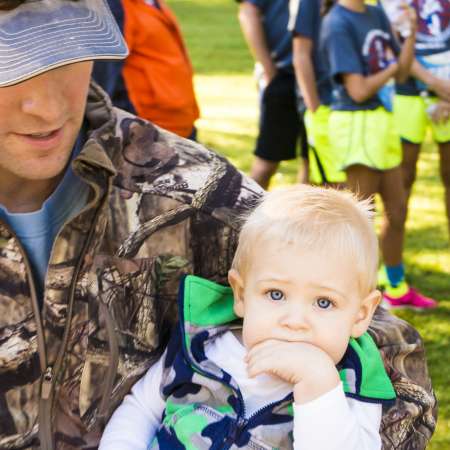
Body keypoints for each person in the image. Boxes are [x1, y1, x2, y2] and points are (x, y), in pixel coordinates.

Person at [0, 1, 436, 449]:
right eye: (9, 68)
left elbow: (389, 358)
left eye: (67, 52)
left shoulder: (191, 192)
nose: (46, 107)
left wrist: (322, 398)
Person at [99, 185, 396, 450]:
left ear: (361, 315)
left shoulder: (352, 387)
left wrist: (318, 383)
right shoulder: (200, 346)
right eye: (276, 294)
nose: (294, 320)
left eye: (324, 302)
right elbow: (141, 409)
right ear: (241, 295)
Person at [322, 0, 437, 309]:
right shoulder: (337, 24)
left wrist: (410, 34)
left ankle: (396, 289)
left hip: (383, 121)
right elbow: (358, 90)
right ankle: (355, 294)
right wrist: (389, 68)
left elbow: (400, 73)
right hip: (356, 123)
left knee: (397, 210)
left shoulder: (374, 13)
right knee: (361, 217)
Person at [381, 0, 450, 239]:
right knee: (402, 178)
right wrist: (434, 83)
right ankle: (392, 269)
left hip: (447, 96)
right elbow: (394, 42)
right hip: (408, 94)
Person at [93, 0, 200, 139]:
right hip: (149, 132)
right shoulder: (115, 6)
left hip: (180, 123)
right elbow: (105, 80)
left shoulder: (152, 3)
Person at [237, 0, 309, 188]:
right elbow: (247, 12)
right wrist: (268, 69)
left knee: (313, 161)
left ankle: (302, 216)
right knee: (267, 160)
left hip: (319, 77)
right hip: (282, 74)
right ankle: (247, 214)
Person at [290, 0, 347, 186]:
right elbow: (300, 54)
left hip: (354, 104)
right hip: (324, 103)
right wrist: (314, 105)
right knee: (331, 185)